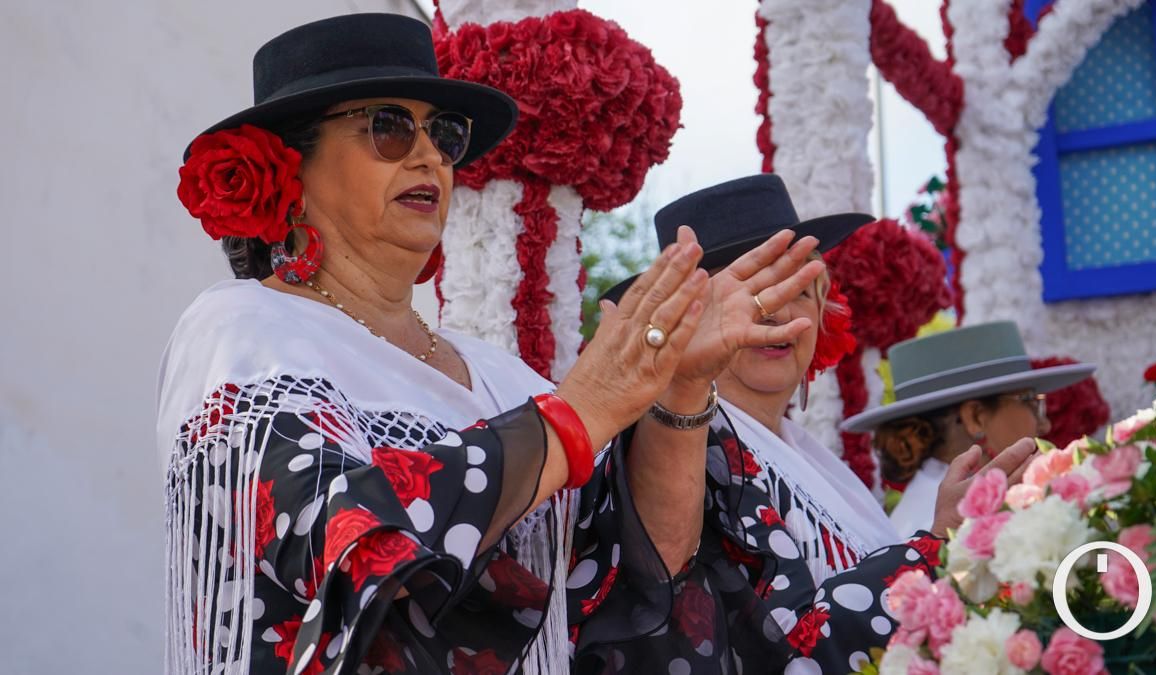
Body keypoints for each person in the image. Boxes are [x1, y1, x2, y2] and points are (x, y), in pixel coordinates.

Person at [160, 14, 824, 675]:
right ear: (290, 165)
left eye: (445, 134)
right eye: (388, 126)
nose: (430, 157)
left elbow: (639, 581)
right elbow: (341, 539)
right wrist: (580, 412)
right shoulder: (244, 327)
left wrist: (679, 391)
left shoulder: (503, 379)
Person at [602, 175, 1041, 672]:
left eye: (800, 290)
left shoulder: (810, 457)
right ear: (687, 319)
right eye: (751, 293)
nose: (778, 313)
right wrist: (938, 544)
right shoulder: (677, 444)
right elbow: (774, 644)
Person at [842, 321, 1095, 537]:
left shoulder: (931, 506)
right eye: (1031, 403)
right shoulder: (953, 522)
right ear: (976, 417)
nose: (1044, 424)